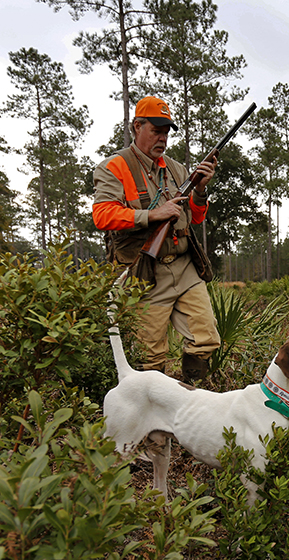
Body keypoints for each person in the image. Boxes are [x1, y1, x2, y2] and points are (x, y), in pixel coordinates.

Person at [92, 95, 220, 384]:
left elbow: (196, 217)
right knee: (149, 359)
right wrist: (151, 216)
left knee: (207, 340)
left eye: (166, 132)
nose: (162, 138)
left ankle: (187, 399)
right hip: (145, 271)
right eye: (156, 130)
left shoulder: (177, 169)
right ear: (137, 126)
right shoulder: (113, 167)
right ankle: (154, 417)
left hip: (185, 267)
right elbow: (102, 215)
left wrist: (200, 190)